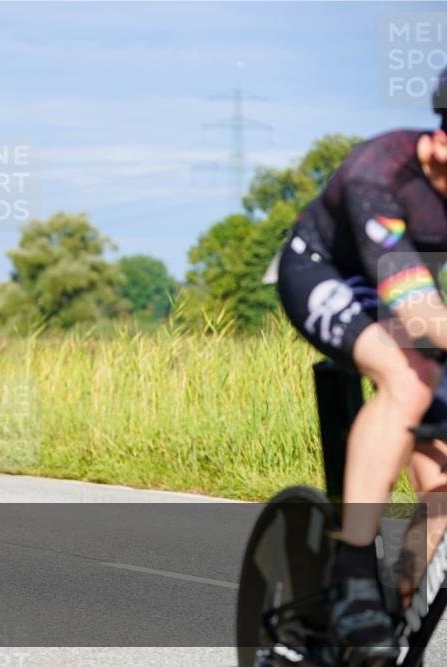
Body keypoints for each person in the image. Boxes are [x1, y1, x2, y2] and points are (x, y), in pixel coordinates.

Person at [276, 69, 447, 660]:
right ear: (442, 142)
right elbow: (420, 314)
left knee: (442, 481)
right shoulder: (380, 171)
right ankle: (352, 565)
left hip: (406, 294)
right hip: (322, 273)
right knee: (409, 376)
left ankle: (398, 610)